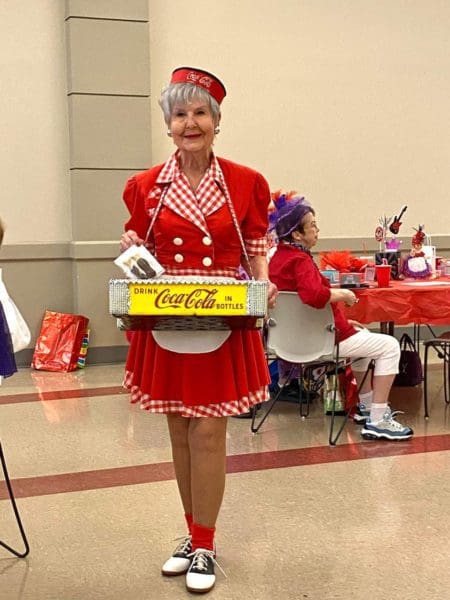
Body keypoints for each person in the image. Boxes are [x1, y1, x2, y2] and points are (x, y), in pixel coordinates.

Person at [119, 66, 277, 594]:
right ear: (168, 124)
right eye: (180, 113)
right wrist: (132, 255)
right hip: (167, 316)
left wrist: (262, 287)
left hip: (223, 316)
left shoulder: (246, 182)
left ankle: (205, 544)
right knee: (180, 432)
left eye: (200, 112)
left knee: (209, 431)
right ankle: (191, 533)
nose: (191, 122)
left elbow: (257, 245)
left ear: (216, 120)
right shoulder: (144, 186)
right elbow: (139, 246)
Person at [268, 193, 414, 442]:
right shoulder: (300, 261)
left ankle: (366, 407)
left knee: (364, 340)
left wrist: (345, 323)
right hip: (319, 343)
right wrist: (343, 294)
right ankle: (378, 420)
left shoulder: (277, 258)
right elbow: (314, 296)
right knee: (389, 346)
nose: (317, 230)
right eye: (312, 225)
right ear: (296, 234)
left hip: (288, 341)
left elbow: (303, 311)